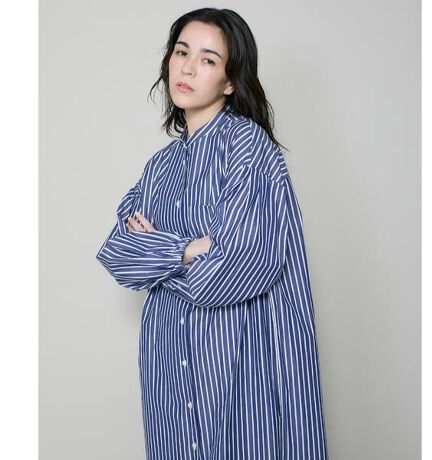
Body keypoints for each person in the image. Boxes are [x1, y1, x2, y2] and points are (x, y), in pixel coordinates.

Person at [96, 7, 329, 460]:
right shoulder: (159, 166)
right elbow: (118, 257)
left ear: (230, 81)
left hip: (240, 363)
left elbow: (228, 273)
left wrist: (159, 254)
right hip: (167, 365)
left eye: (207, 59)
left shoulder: (248, 147)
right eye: (181, 52)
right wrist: (187, 250)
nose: (187, 68)